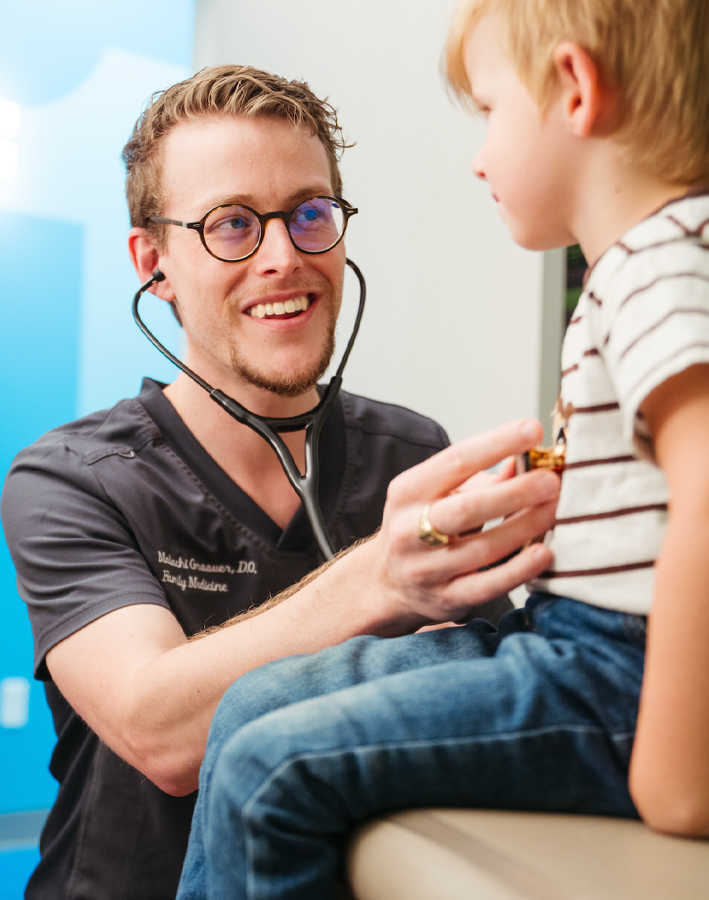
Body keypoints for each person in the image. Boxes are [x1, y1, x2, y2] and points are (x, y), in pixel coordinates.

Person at [174, 3, 709, 898]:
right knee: (251, 701)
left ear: (575, 91)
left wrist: (679, 762)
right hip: (577, 641)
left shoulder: (656, 263)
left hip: (621, 672)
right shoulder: (648, 262)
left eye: (492, 111)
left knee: (273, 770)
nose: (479, 155)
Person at [0, 64, 559, 900]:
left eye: (309, 214)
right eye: (231, 225)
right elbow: (160, 733)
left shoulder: (410, 451)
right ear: (152, 263)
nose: (283, 258)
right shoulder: (72, 480)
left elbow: (492, 704)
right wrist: (380, 576)